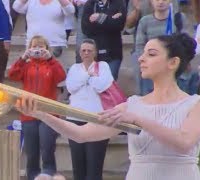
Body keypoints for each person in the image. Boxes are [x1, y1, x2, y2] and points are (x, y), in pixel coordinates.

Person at [16, 33, 200, 180]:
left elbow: (184, 143)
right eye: (142, 53)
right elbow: (81, 134)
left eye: (151, 54)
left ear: (173, 62)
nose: (141, 59)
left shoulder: (194, 104)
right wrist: (41, 114)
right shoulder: (133, 105)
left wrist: (138, 119)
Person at [8, 35, 66, 180]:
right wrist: (22, 58)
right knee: (32, 152)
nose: (38, 49)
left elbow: (61, 78)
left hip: (49, 113)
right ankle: (32, 177)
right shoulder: (26, 65)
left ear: (47, 49)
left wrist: (51, 59)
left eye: (41, 47)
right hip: (28, 113)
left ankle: (49, 175)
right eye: (34, 46)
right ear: (29, 49)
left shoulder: (52, 64)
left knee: (47, 149)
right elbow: (12, 75)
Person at [66, 39, 113, 180]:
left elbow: (102, 85)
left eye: (89, 50)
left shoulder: (103, 66)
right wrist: (88, 76)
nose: (86, 53)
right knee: (78, 166)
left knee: (94, 168)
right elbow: (71, 87)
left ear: (95, 53)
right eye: (83, 50)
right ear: (80, 53)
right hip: (74, 119)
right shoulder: (74, 68)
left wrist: (85, 80)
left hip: (97, 119)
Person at [135, 0, 189, 95]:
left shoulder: (179, 18)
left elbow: (186, 45)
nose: (160, 2)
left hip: (174, 71)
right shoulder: (145, 21)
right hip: (152, 72)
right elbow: (139, 46)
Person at [81, 0, 127, 80]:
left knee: (110, 85)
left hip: (113, 54)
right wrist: (110, 19)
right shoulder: (90, 4)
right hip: (94, 56)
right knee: (94, 86)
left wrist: (99, 17)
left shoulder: (118, 3)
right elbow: (86, 29)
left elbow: (119, 25)